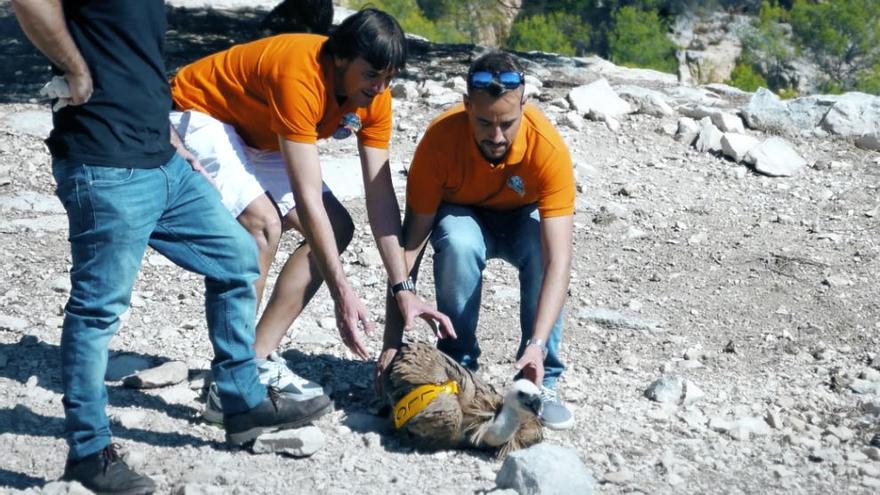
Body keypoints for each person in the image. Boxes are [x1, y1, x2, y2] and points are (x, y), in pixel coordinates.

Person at [11, 1, 331, 493]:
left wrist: (173, 141)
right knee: (98, 311)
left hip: (163, 158)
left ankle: (241, 401)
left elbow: (134, 57)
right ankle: (89, 453)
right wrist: (75, 69)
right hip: (105, 162)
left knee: (238, 258)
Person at [168, 8, 454, 420]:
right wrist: (341, 290)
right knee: (263, 223)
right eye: (373, 74)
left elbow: (379, 193)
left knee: (337, 227)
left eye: (389, 78)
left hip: (260, 132)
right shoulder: (299, 73)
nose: (380, 87)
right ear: (340, 58)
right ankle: (231, 382)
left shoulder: (375, 96)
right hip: (202, 113)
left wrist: (402, 285)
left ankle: (255, 357)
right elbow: (306, 196)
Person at [376, 51, 576, 430]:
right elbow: (411, 246)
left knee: (540, 246)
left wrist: (537, 342)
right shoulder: (439, 141)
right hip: (464, 217)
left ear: (524, 105)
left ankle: (540, 377)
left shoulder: (547, 149)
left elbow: (558, 262)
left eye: (508, 123)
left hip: (522, 219)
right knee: (456, 240)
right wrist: (391, 342)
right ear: (466, 105)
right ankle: (457, 365)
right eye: (484, 122)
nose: (496, 136)